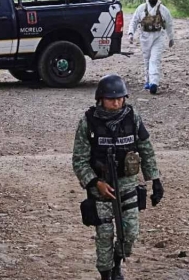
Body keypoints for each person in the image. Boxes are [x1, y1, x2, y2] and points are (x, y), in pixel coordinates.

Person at [72, 74, 164, 280]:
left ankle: (117, 262)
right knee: (104, 235)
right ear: (100, 99)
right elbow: (79, 160)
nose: (117, 102)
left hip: (128, 185)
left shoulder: (133, 118)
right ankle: (106, 273)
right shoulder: (88, 122)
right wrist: (96, 183)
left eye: (120, 98)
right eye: (111, 98)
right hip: (101, 189)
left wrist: (155, 180)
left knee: (130, 233)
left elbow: (146, 149)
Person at [127, 0, 175, 95]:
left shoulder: (163, 10)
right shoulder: (141, 8)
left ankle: (154, 83)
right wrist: (131, 33)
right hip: (144, 37)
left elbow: (169, 24)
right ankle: (147, 80)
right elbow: (134, 21)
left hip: (158, 37)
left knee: (155, 59)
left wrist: (171, 37)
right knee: (147, 59)